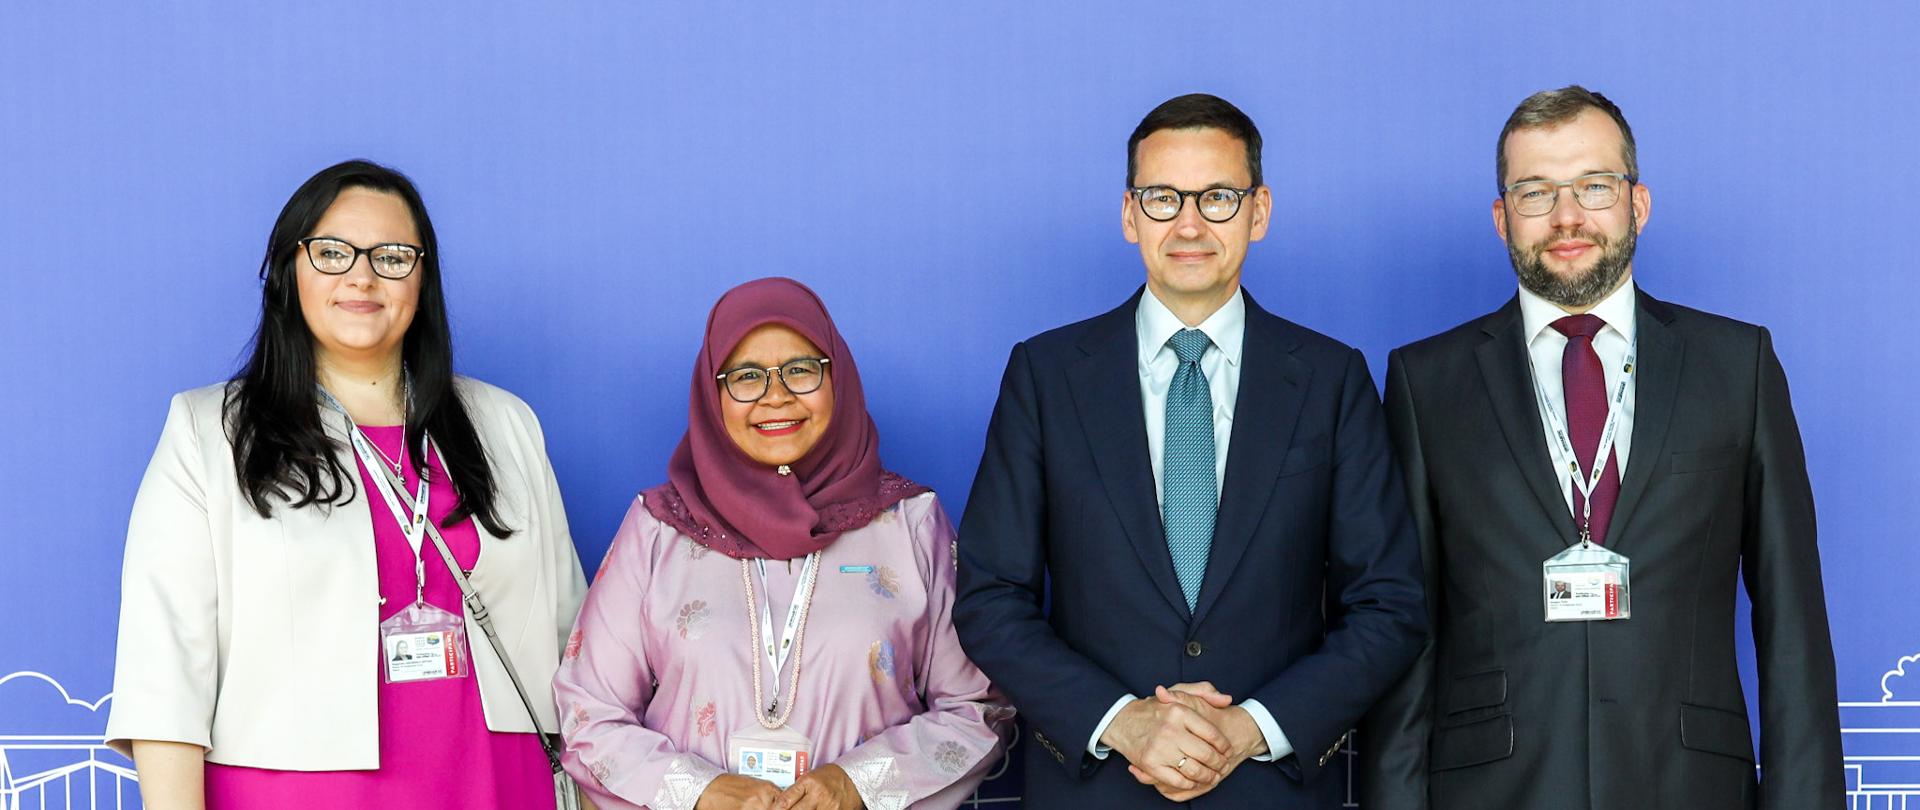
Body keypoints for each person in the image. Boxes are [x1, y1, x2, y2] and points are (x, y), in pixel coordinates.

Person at [1359, 86, 1843, 808]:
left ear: (1637, 203)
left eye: (1594, 185)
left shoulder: (1736, 365)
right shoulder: (1425, 382)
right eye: (1535, 192)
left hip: (1689, 785)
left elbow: (1793, 622)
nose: (1567, 217)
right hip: (1493, 788)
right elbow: (1407, 628)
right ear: (1501, 219)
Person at [952, 93, 1426, 807]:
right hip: (1099, 785)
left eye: (1219, 197)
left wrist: (1249, 729)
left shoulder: (1331, 379)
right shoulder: (1046, 377)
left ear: (1258, 211)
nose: (1190, 223)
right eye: (1164, 197)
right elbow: (991, 598)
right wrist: (1126, 722)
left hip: (1272, 787)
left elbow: (1389, 604)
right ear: (1129, 213)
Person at [105, 160, 590, 809]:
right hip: (292, 792)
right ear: (287, 269)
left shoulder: (505, 425)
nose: (361, 275)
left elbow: (579, 655)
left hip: (498, 785)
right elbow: (164, 678)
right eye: (332, 252)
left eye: (392, 255)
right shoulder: (210, 433)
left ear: (422, 277)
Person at [554, 277, 1013, 810]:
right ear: (712, 392)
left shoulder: (908, 523)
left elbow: (980, 707)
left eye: (801, 369)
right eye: (746, 376)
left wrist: (858, 784)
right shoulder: (658, 528)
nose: (776, 396)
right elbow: (589, 713)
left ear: (836, 377)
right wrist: (699, 792)